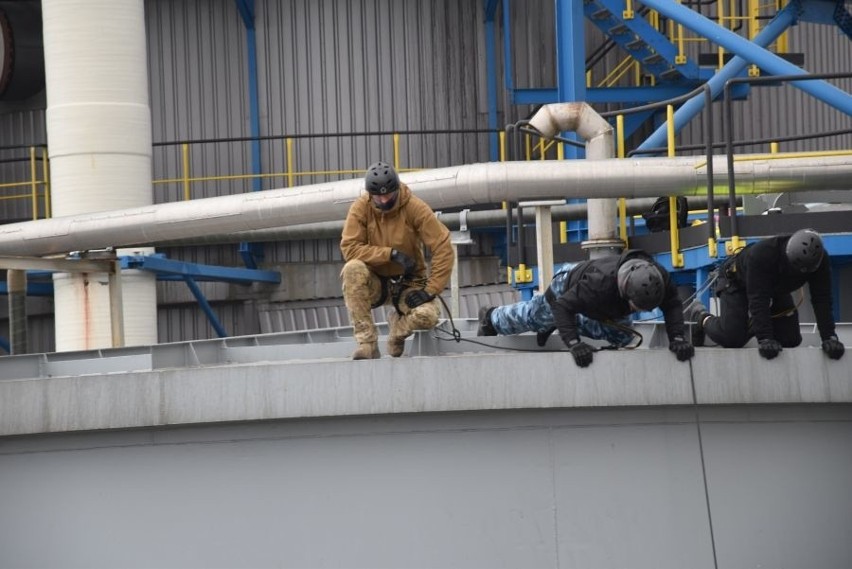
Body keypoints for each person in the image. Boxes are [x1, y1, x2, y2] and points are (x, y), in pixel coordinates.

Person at [478, 249, 694, 367]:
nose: (641, 312)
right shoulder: (598, 285)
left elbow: (673, 304)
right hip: (568, 286)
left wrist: (677, 338)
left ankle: (564, 325)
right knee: (536, 317)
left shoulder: (658, 278)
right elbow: (563, 306)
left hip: (605, 305)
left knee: (623, 337)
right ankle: (491, 317)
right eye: (637, 307)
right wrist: (573, 343)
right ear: (625, 291)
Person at [340, 161, 454, 360]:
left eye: (388, 194)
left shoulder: (415, 207)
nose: (384, 200)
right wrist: (389, 254)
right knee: (352, 268)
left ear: (397, 189)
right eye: (378, 196)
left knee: (428, 316)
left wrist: (430, 290)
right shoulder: (360, 208)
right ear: (370, 194)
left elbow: (443, 246)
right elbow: (349, 248)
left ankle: (398, 330)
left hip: (408, 282)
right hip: (377, 282)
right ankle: (367, 343)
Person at [684, 228, 845, 360]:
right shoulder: (763, 255)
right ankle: (701, 316)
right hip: (737, 282)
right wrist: (765, 338)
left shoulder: (820, 261)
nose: (799, 273)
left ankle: (754, 324)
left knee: (790, 339)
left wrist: (829, 337)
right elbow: (758, 299)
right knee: (732, 338)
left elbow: (822, 299)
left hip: (777, 288)